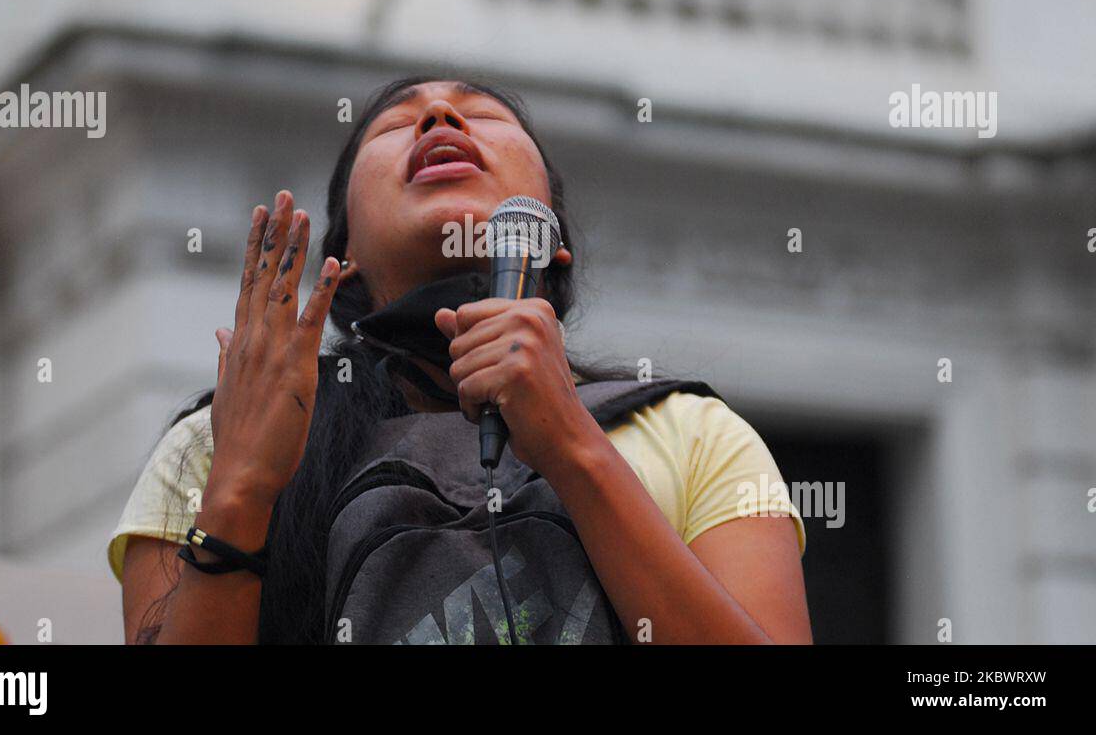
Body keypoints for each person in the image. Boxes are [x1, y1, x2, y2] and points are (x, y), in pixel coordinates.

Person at [110, 77, 811, 644]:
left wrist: (570, 443)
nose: (440, 115)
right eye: (393, 124)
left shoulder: (695, 432)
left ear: (552, 244)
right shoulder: (220, 440)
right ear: (344, 260)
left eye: (480, 114)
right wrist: (242, 490)